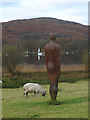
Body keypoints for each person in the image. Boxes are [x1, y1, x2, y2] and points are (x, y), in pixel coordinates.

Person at [45, 33, 61, 100]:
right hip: (55, 65)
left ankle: (52, 98)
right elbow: (57, 58)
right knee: (55, 82)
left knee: (51, 82)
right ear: (55, 38)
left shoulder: (46, 46)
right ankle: (54, 99)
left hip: (49, 65)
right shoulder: (57, 46)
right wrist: (58, 67)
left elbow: (46, 58)